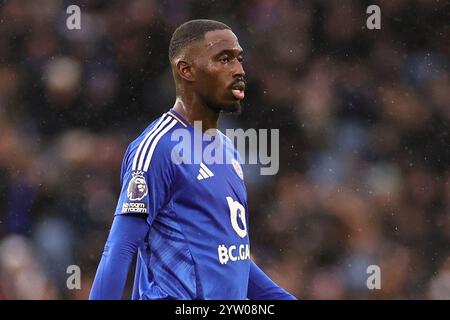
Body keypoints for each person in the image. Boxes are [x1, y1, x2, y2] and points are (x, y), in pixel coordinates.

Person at [89, 19, 296, 300]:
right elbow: (119, 249)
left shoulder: (228, 152)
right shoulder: (159, 147)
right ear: (186, 70)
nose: (239, 70)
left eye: (239, 59)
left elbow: (230, 258)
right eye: (224, 59)